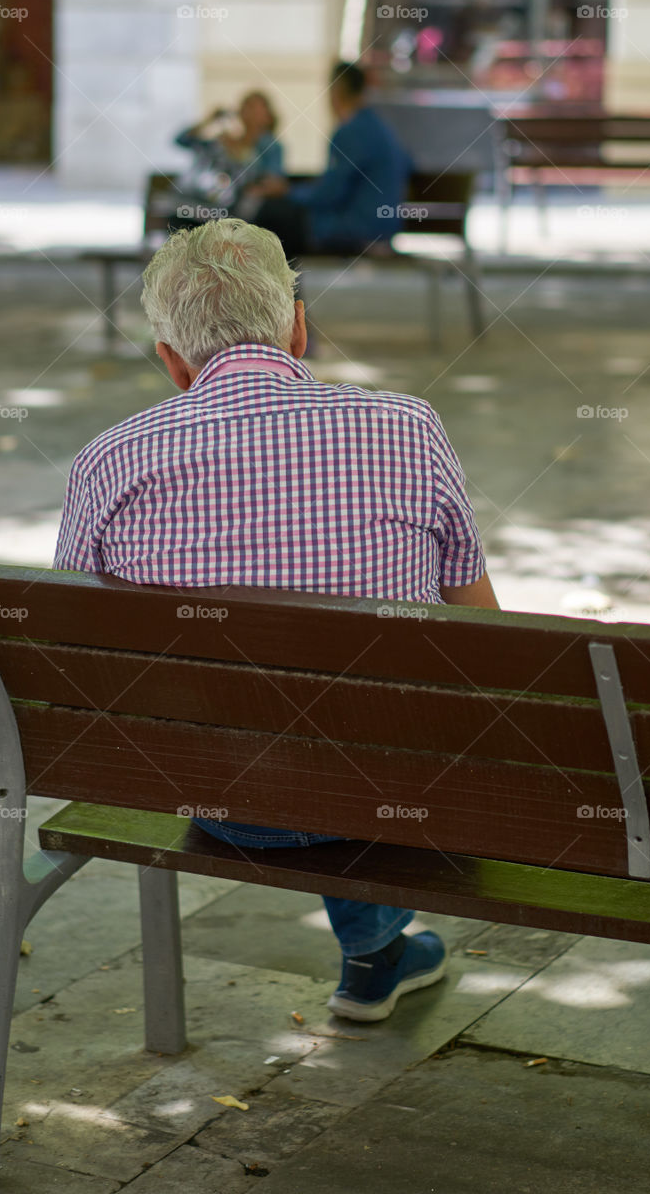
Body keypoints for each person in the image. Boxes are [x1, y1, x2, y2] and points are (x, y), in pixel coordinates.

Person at [54, 218, 498, 1022]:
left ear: (171, 360)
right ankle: (375, 951)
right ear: (298, 326)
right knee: (364, 720)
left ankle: (375, 953)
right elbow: (486, 634)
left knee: (280, 726)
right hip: (391, 796)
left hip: (220, 797)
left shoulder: (108, 460)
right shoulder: (407, 427)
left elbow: (71, 653)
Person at [253, 60, 412, 257]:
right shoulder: (380, 128)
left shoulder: (350, 132)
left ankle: (283, 287)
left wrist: (287, 191)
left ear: (337, 90)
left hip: (357, 229)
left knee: (273, 216)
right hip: (385, 226)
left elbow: (329, 194)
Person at [174, 90, 284, 209]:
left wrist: (254, 191)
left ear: (267, 116)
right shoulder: (226, 141)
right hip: (207, 198)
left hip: (235, 204)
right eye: (246, 107)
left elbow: (273, 181)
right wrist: (209, 120)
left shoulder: (269, 145)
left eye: (255, 109)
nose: (249, 113)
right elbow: (182, 140)